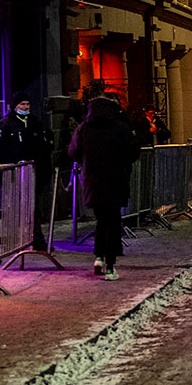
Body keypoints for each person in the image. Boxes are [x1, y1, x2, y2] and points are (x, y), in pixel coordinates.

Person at [67, 95, 142, 281]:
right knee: (113, 221)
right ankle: (110, 266)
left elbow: (73, 152)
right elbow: (133, 152)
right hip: (116, 179)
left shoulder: (83, 128)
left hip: (93, 181)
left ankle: (99, 257)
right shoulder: (120, 128)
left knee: (101, 221)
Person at [0, 91, 54, 250]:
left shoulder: (36, 122)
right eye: (22, 104)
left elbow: (45, 145)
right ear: (15, 106)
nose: (25, 107)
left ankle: (37, 240)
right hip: (13, 175)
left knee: (34, 208)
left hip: (34, 174)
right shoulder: (5, 124)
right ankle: (14, 242)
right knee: (14, 208)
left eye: (27, 104)